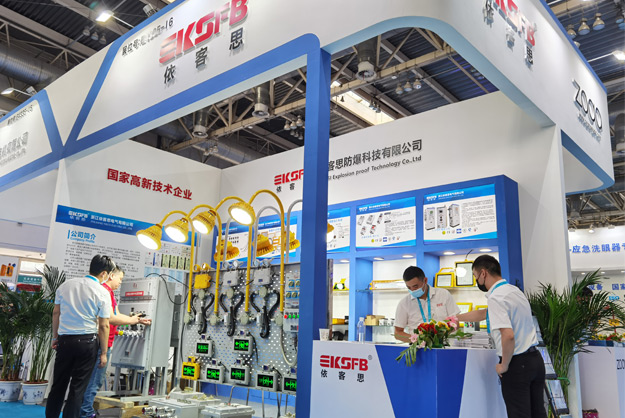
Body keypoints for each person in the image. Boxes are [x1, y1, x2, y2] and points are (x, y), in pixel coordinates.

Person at [456, 255, 546, 418]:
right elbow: (484, 313)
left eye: (475, 276)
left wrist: (504, 365)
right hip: (535, 360)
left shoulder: (496, 297)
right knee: (538, 413)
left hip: (517, 364)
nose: (477, 281)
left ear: (483, 273)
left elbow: (508, 335)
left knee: (519, 414)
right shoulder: (513, 291)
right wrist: (456, 318)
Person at [46, 255, 114, 418]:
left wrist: (55, 337)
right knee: (77, 388)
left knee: (58, 385)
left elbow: (56, 313)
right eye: (110, 274)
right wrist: (104, 353)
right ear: (104, 273)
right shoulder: (102, 292)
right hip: (87, 343)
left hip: (65, 341)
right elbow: (104, 325)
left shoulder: (66, 285)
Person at [80, 266, 152, 418]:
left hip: (103, 341)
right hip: (101, 342)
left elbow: (117, 314)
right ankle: (86, 413)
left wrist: (136, 319)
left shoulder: (110, 293)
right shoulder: (104, 292)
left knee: (93, 380)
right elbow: (110, 319)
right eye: (120, 279)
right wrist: (132, 320)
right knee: (95, 380)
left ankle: (85, 410)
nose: (120, 282)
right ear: (111, 275)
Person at [394, 266, 460, 342]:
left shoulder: (443, 294)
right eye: (409, 287)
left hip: (445, 344)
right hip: (419, 346)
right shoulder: (404, 303)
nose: (412, 290)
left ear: (425, 280)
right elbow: (398, 333)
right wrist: (418, 340)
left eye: (415, 286)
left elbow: (455, 322)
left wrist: (440, 336)